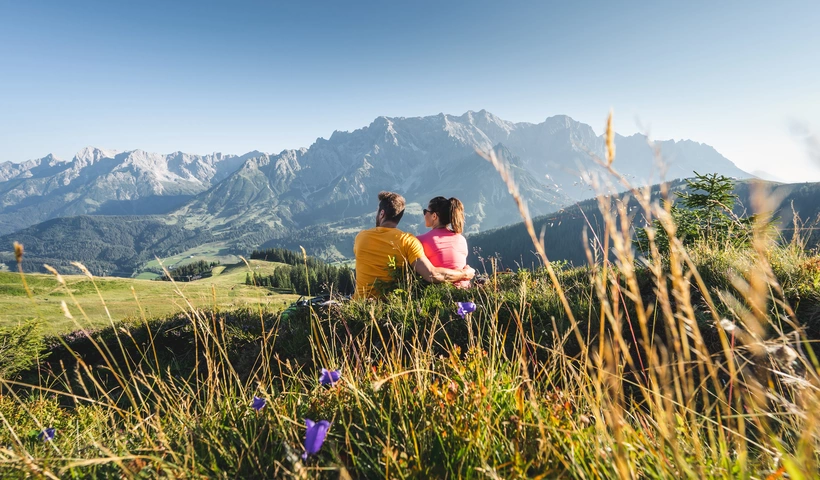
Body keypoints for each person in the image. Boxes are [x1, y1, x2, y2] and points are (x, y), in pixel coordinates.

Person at [353, 191, 474, 299]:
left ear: (382, 213)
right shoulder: (408, 241)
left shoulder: (361, 237)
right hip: (390, 304)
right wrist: (464, 274)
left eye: (425, 211)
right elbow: (431, 274)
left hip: (360, 304)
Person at [416, 196, 470, 288]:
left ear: (434, 216)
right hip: (465, 292)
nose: (424, 215)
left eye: (426, 211)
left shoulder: (421, 240)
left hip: (440, 293)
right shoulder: (461, 239)